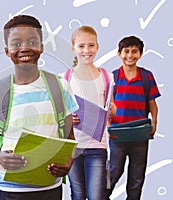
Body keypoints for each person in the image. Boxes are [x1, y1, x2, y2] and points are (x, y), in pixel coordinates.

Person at [0, 15, 79, 200]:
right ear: (6, 50)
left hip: (49, 187)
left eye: (32, 41)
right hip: (12, 189)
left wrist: (68, 163)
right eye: (16, 43)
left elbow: (70, 138)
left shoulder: (60, 86)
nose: (25, 48)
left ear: (41, 47)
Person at [63, 26, 116, 200]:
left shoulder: (107, 77)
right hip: (72, 147)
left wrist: (111, 111)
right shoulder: (64, 78)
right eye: (81, 46)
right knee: (77, 195)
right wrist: (67, 118)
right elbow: (58, 115)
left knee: (96, 196)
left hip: (97, 146)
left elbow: (111, 106)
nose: (87, 51)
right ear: (73, 49)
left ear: (98, 47)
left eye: (91, 45)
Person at [105, 36, 161, 200]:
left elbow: (152, 104)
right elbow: (108, 106)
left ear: (141, 54)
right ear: (119, 53)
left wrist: (154, 124)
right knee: (114, 171)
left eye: (134, 51)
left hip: (140, 135)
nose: (130, 55)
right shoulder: (112, 77)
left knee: (137, 177)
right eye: (126, 51)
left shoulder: (146, 77)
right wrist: (108, 126)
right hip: (118, 135)